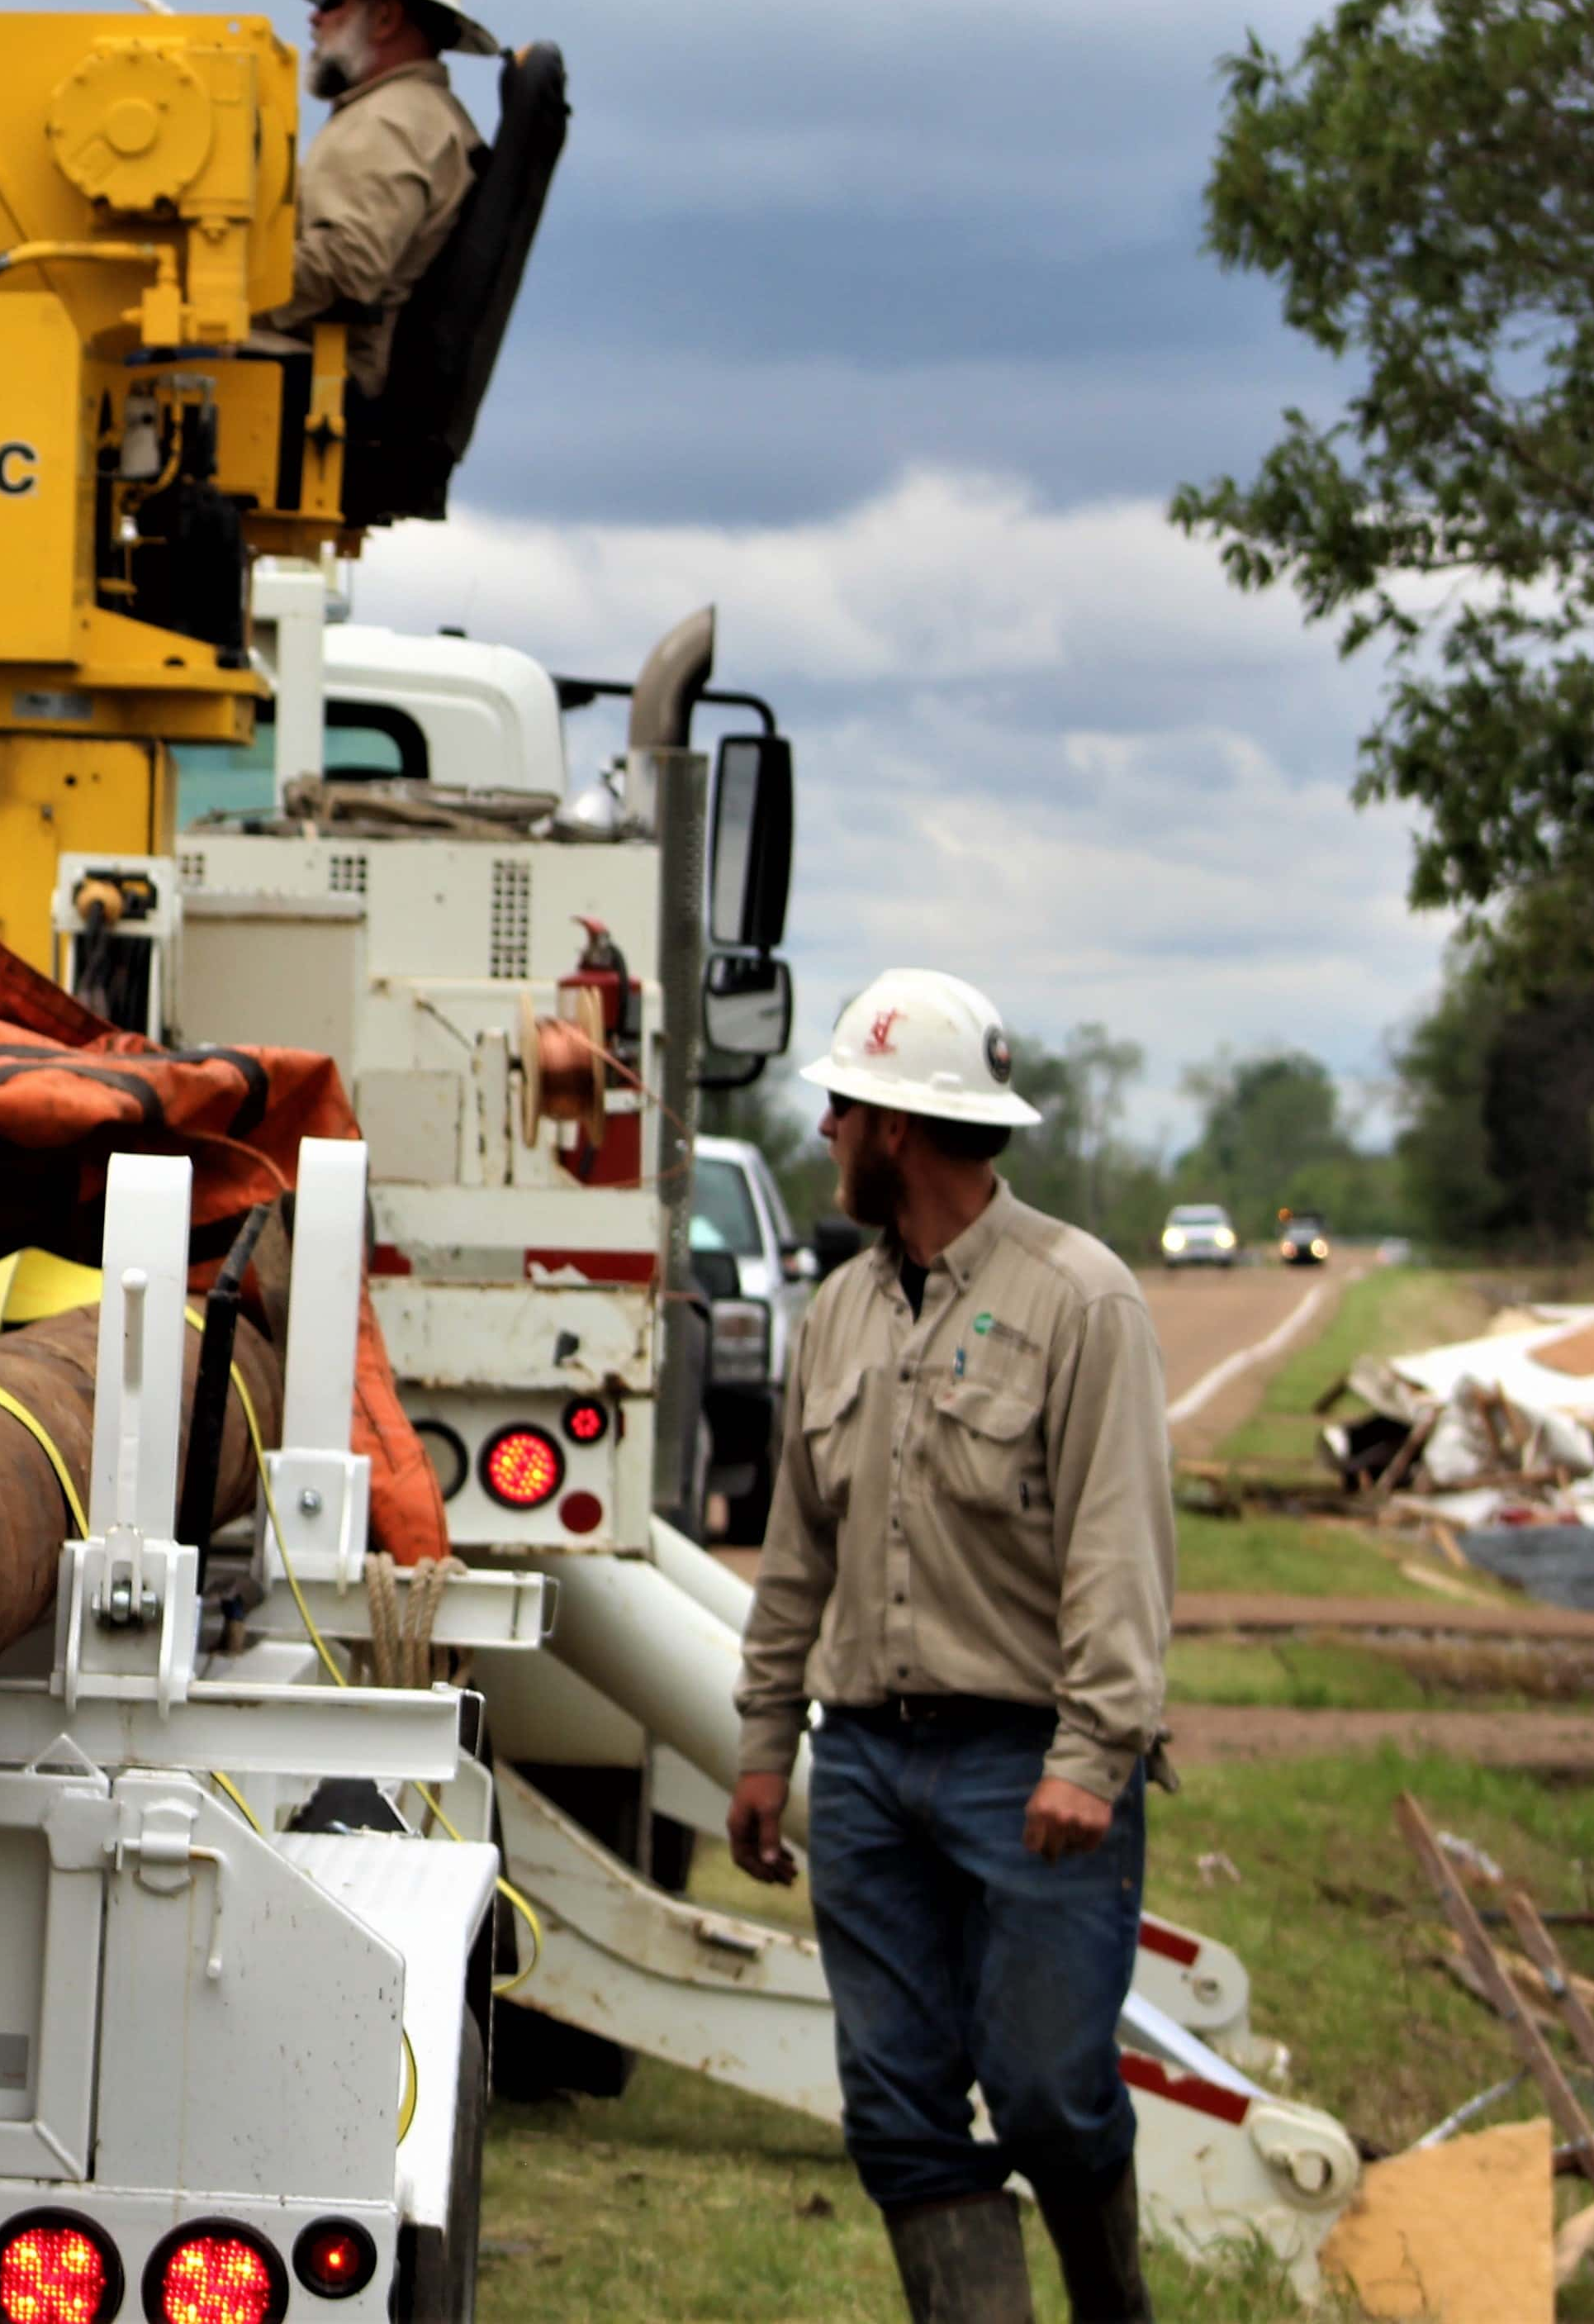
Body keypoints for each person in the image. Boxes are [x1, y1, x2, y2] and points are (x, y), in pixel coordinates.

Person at [724, 970, 1173, 2324]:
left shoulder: (1079, 1302)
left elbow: (1116, 1551)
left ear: (895, 1130)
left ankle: (1111, 2306)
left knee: (1045, 2088)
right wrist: (759, 1747)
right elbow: (793, 1549)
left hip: (1027, 1767)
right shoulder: (838, 1314)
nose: (823, 1137)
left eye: (838, 1112)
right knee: (899, 2111)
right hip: (863, 1769)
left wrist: (1089, 1754)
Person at [265, 0, 498, 400]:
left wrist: (209, 289)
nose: (314, 17)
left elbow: (345, 266)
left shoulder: (391, 120)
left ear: (387, 17)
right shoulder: (415, 115)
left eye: (332, 0)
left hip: (320, 379)